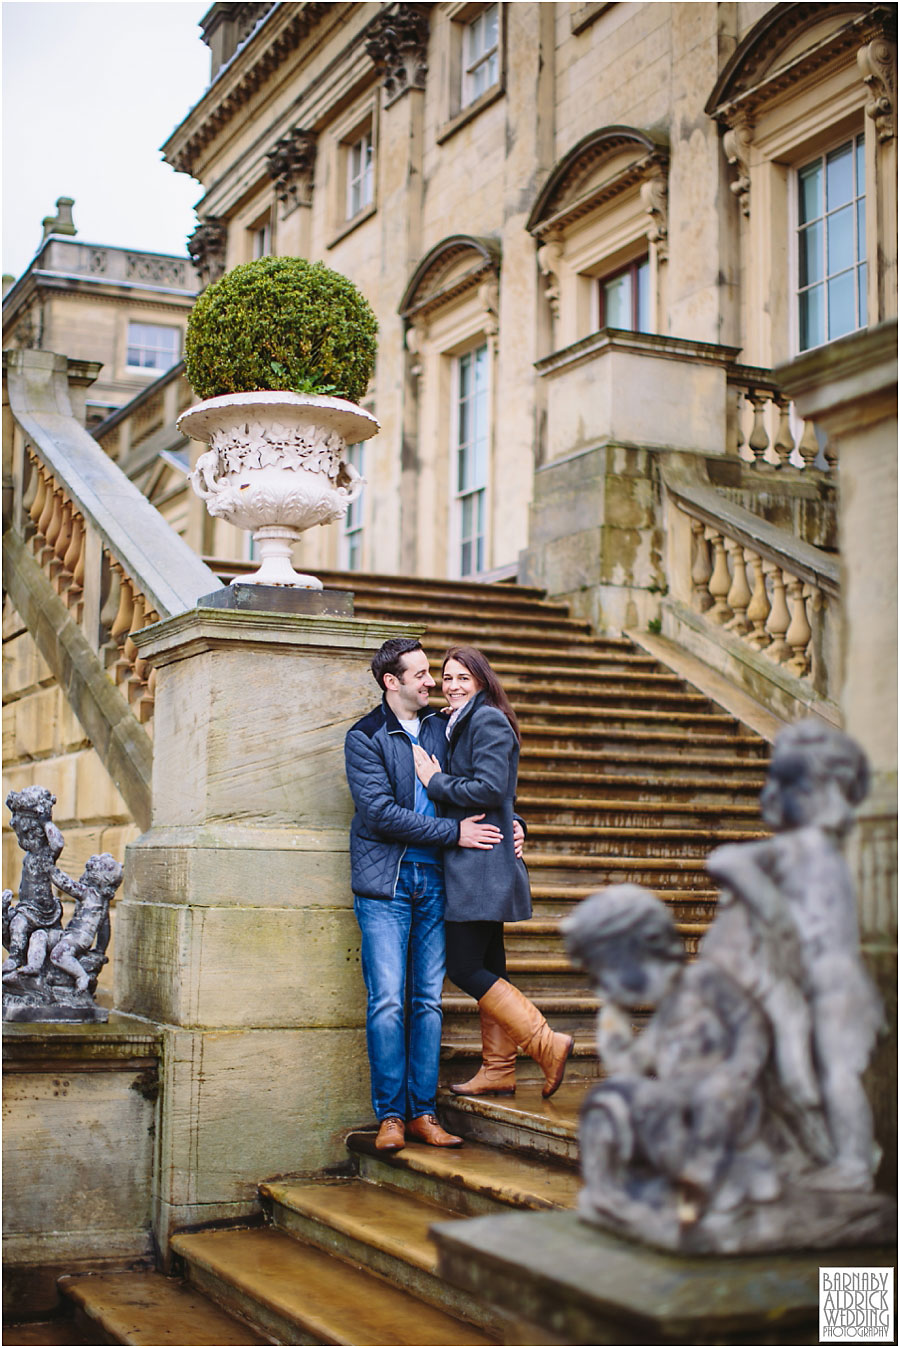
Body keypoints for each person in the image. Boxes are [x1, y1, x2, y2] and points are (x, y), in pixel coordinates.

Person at [345, 636, 511, 1154]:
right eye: (419, 673)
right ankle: (390, 1115)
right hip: (386, 885)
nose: (431, 681)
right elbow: (380, 815)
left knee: (427, 1003)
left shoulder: (446, 728)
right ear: (392, 682)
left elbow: (485, 785)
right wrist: (453, 835)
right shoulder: (366, 736)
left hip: (440, 883)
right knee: (389, 1002)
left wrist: (515, 822)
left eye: (429, 672)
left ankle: (422, 1112)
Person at [412, 645, 573, 1099]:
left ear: (482, 681)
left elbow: (490, 788)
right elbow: (504, 798)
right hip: (477, 859)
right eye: (448, 677)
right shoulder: (460, 720)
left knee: (464, 967)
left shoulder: (488, 720)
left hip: (481, 863)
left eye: (464, 677)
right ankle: (499, 1069)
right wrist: (515, 822)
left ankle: (546, 1043)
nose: (454, 685)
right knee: (489, 965)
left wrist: (434, 781)